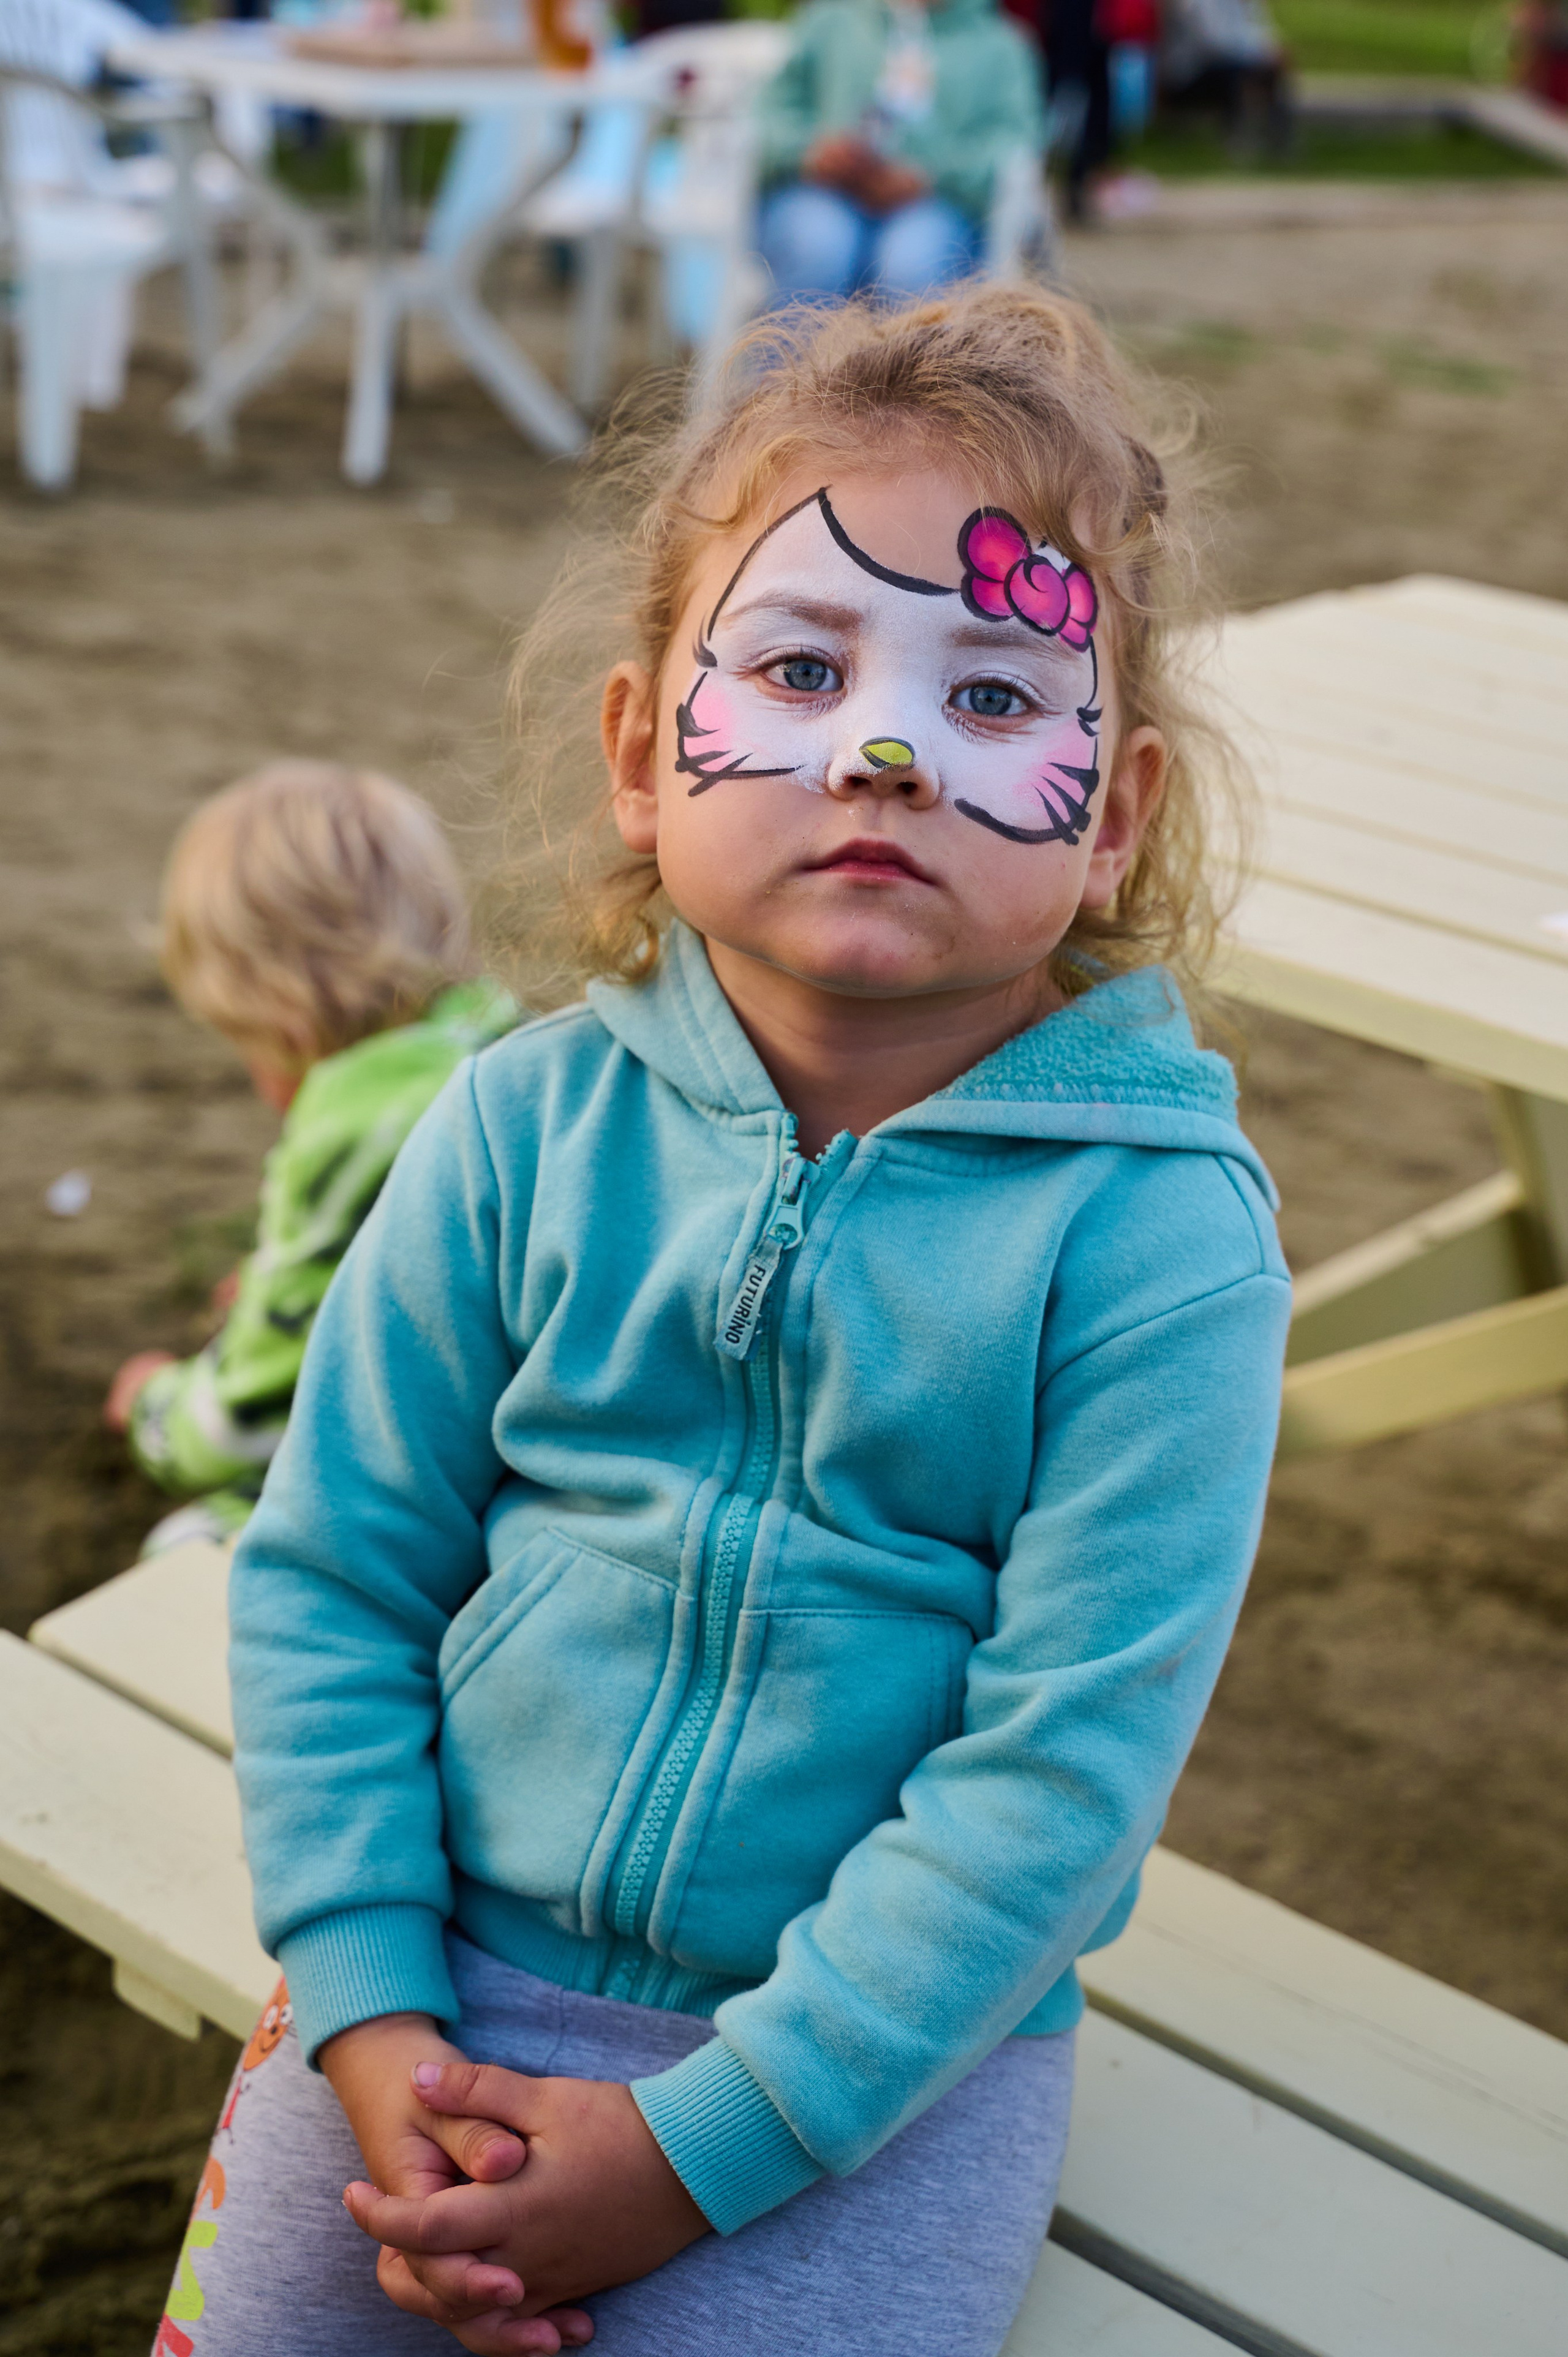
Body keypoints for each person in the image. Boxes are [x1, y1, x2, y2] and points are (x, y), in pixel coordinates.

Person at [164, 287, 1291, 2357]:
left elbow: (1064, 1773)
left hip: (875, 2060)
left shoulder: (1163, 1247)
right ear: (635, 753)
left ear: (1114, 812)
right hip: (434, 1976)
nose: (882, 751)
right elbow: (333, 1575)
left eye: (992, 691)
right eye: (798, 665)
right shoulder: (515, 1129)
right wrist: (370, 2003)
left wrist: (699, 2150)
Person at [105, 761, 515, 1558]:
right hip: (545, 1444)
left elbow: (239, 1425)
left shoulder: (355, 1132)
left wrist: (153, 1403)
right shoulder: (505, 1041)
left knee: (187, 1547)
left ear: (284, 1023)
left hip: (456, 1498)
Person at [754, 0, 1046, 304]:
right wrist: (810, 152)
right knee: (816, 247)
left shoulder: (1000, 45)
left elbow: (1016, 146)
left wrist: (932, 177)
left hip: (938, 204)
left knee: (912, 267)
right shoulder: (831, 19)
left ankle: (919, 339)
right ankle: (797, 338)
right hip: (822, 190)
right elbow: (766, 112)